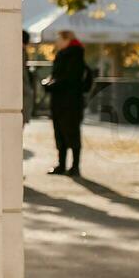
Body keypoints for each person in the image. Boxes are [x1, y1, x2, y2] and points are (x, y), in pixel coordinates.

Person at [44, 29, 94, 176]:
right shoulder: (62, 54)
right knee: (59, 132)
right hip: (59, 101)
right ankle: (62, 164)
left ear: (66, 40)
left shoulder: (75, 55)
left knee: (71, 133)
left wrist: (51, 85)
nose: (56, 42)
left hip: (71, 102)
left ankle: (75, 166)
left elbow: (69, 79)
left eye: (59, 39)